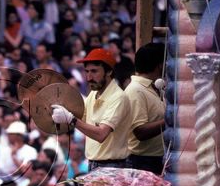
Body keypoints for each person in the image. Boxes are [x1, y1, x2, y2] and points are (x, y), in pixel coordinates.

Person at [51, 48, 131, 170]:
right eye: (87, 71)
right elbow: (80, 117)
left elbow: (101, 134)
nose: (88, 77)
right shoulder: (93, 94)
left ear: (109, 72)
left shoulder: (118, 97)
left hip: (113, 166)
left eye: (94, 71)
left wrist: (71, 119)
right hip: (94, 164)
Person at [125, 42, 166, 175]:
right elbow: (140, 132)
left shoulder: (154, 88)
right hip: (142, 163)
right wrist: (170, 121)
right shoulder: (135, 90)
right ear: (160, 65)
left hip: (155, 160)